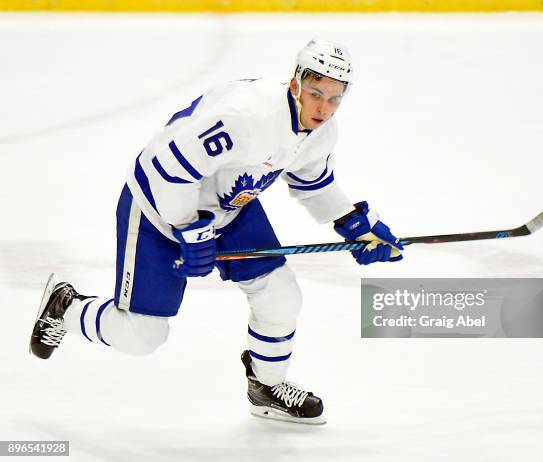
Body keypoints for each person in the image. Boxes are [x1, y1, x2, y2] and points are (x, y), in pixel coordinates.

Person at [29, 39, 404, 425]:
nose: (324, 109)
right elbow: (160, 169)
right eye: (315, 94)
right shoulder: (245, 116)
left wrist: (357, 225)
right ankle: (64, 306)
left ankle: (267, 387)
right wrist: (189, 228)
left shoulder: (322, 129)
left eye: (334, 98)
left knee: (280, 296)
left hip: (230, 208)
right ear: (295, 84)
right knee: (141, 335)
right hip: (158, 208)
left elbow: (312, 180)